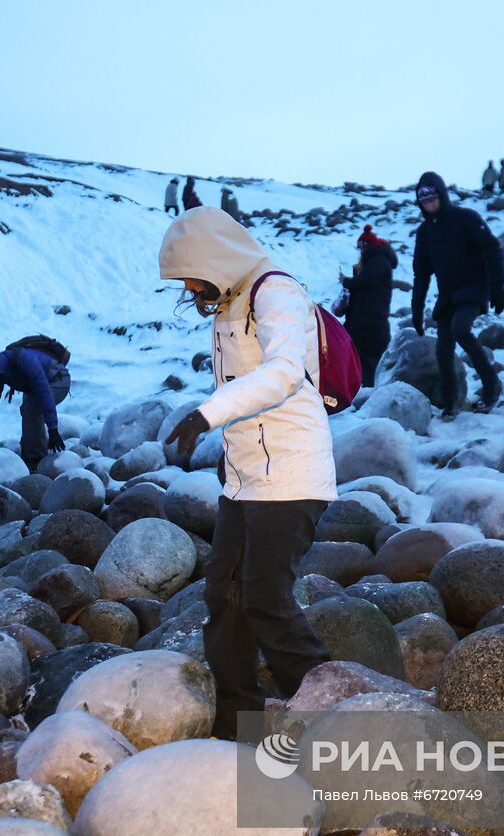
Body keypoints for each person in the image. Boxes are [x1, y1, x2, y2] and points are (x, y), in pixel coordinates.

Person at [157, 206, 335, 740]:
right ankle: (238, 723)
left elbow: (281, 374)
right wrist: (227, 450)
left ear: (214, 257)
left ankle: (330, 716)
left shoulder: (275, 292)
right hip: (246, 477)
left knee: (264, 599)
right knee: (225, 599)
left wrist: (205, 416)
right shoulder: (228, 301)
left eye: (190, 273)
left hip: (292, 474)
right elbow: (247, 395)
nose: (189, 286)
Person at [410, 171, 504, 417]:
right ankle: (451, 401)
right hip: (449, 295)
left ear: (442, 195)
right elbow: (422, 274)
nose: (429, 203)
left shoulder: (465, 218)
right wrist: (416, 310)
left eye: (432, 197)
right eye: (424, 200)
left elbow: (492, 249)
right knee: (444, 347)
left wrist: (498, 288)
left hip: (474, 286)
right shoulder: (425, 232)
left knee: (460, 329)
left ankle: (491, 384)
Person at [0, 343, 70, 472]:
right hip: (35, 387)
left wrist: (53, 429)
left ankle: (35, 462)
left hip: (58, 380)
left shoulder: (23, 359)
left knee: (31, 409)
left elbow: (43, 391)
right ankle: (31, 449)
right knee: (29, 409)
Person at [339, 224, 397, 385]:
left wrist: (347, 281)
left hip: (370, 321)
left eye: (362, 248)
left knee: (368, 360)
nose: (361, 252)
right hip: (366, 320)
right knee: (363, 359)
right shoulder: (376, 261)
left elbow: (366, 282)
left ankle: (366, 392)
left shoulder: (378, 261)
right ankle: (362, 390)